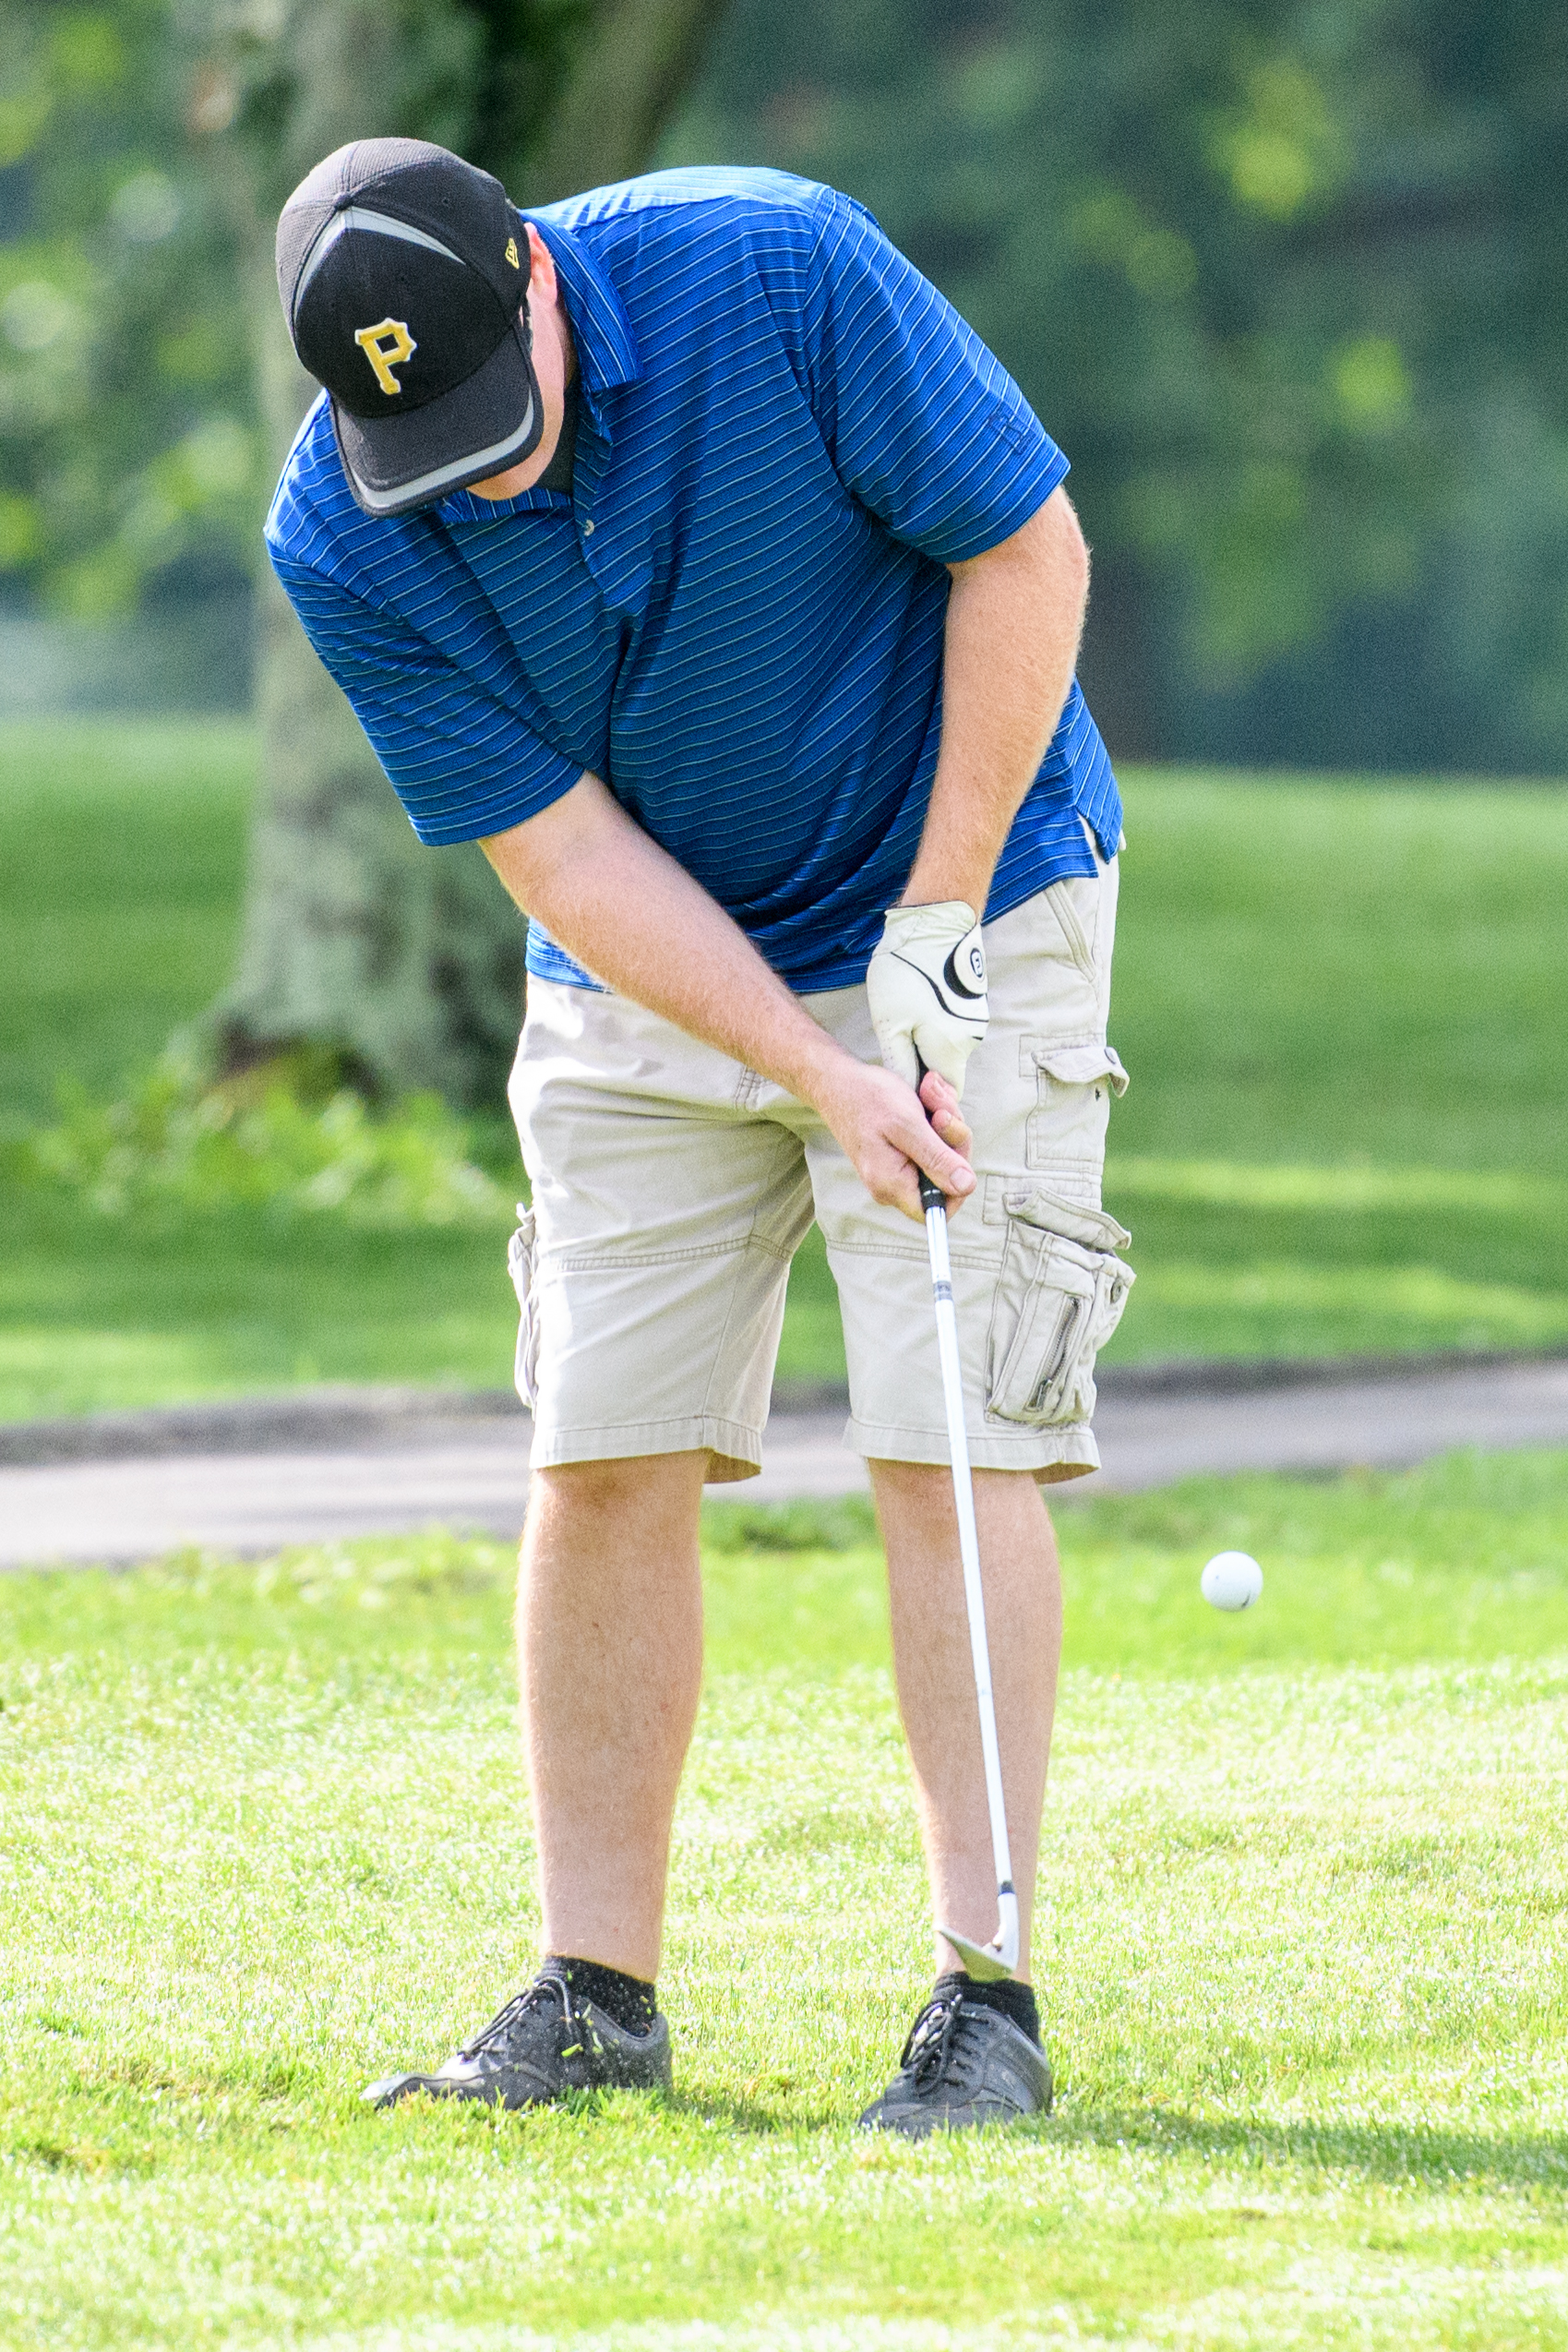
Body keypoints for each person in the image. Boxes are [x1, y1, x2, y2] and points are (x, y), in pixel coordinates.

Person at [268, 137, 1132, 2137]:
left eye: (497, 420)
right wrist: (815, 1068)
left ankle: (984, 1996)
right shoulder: (342, 534)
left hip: (968, 880)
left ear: (535, 277)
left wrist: (933, 924)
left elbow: (1029, 552)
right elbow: (561, 855)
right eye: (430, 451)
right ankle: (594, 1992)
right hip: (642, 957)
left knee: (945, 1438)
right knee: (601, 1444)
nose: (481, 482)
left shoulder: (778, 273)